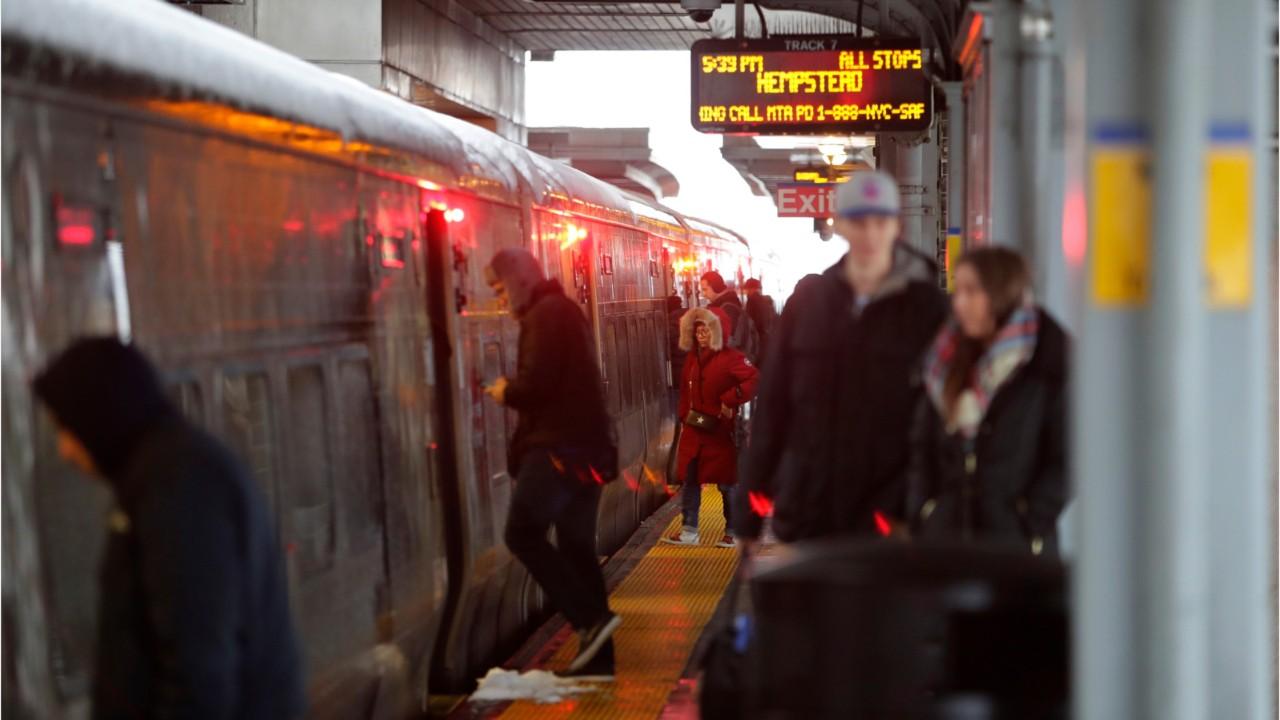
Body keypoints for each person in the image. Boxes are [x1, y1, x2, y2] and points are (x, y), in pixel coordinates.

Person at [32, 337, 304, 720]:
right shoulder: (161, 474)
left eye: (67, 428)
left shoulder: (179, 487)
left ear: (99, 415)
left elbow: (197, 670)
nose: (65, 449)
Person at [734, 170, 949, 556]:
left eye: (880, 221)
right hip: (812, 512)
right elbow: (773, 411)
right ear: (842, 226)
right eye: (859, 221)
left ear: (895, 226)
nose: (870, 233)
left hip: (897, 518)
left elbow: (950, 416)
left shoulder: (929, 310)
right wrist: (748, 517)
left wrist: (932, 509)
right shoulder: (810, 305)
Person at [483, 247, 621, 678]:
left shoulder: (544, 315)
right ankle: (599, 659)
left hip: (560, 449)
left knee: (521, 533)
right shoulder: (564, 311)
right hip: (589, 450)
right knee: (577, 547)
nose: (501, 300)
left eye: (501, 289)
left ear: (519, 279)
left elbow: (537, 385)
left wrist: (507, 390)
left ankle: (590, 620)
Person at [906, 247, 1068, 555]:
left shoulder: (1045, 364)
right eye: (958, 290)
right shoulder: (943, 361)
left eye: (972, 291)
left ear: (1000, 292)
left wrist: (1030, 521)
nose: (960, 303)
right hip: (946, 543)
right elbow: (922, 446)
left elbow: (1067, 456)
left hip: (1017, 549)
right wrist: (924, 512)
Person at [663, 307, 759, 548]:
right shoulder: (692, 359)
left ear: (718, 331)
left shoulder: (732, 358)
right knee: (690, 479)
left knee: (727, 483)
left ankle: (733, 531)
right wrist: (684, 415)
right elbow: (686, 391)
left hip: (720, 431)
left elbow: (754, 379)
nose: (701, 335)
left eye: (706, 330)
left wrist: (730, 399)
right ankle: (689, 530)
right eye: (698, 330)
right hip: (695, 431)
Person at [700, 271, 759, 362]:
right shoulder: (726, 306)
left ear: (716, 287)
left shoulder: (728, 309)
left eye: (705, 289)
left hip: (732, 366)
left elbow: (729, 342)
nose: (703, 294)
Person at [741, 278, 778, 365]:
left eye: (747, 289)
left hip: (757, 338)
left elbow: (751, 321)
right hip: (766, 338)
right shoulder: (765, 301)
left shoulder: (752, 301)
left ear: (752, 289)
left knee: (755, 364)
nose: (746, 292)